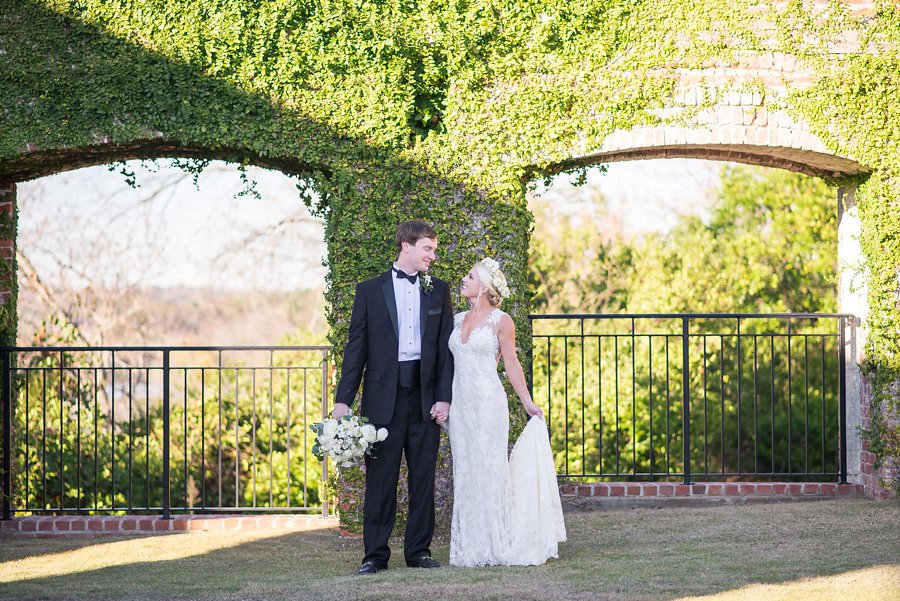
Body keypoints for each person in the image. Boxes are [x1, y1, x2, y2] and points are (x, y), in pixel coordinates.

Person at [333, 220, 454, 575]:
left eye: (433, 249)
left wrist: (444, 398)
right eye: (427, 249)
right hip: (382, 399)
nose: (432, 255)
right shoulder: (369, 290)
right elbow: (356, 348)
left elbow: (445, 351)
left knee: (422, 479)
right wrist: (344, 400)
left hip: (425, 399)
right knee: (381, 480)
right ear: (406, 246)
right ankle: (374, 556)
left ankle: (419, 551)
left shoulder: (439, 290)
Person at [442, 257, 566, 566]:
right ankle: (471, 546)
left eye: (469, 276)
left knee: (491, 468)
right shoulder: (456, 320)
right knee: (467, 469)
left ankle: (500, 542)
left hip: (488, 403)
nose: (463, 280)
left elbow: (510, 362)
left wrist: (527, 402)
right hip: (462, 405)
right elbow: (445, 365)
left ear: (483, 286)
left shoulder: (502, 320)